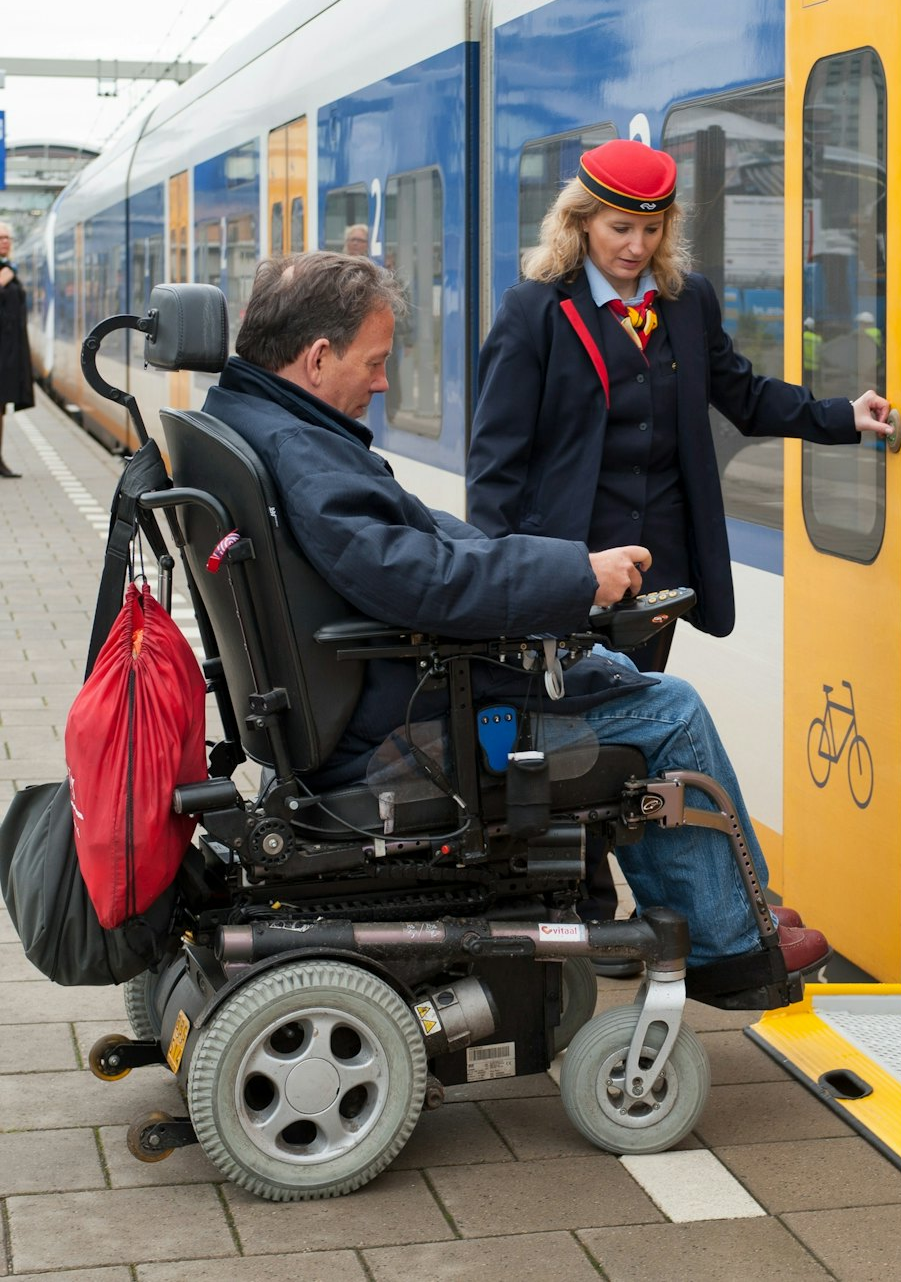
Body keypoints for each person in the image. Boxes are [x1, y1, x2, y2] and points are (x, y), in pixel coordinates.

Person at [200, 250, 826, 986]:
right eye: (374, 363)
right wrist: (574, 576)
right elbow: (412, 578)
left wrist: (552, 565)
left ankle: (722, 900)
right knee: (669, 711)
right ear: (315, 358)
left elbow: (408, 534)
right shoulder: (303, 451)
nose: (382, 381)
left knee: (619, 675)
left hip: (362, 695)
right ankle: (731, 949)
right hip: (397, 722)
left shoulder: (258, 420)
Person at [467, 139, 892, 674]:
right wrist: (494, 579)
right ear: (580, 222)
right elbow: (496, 457)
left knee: (640, 708)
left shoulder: (688, 301)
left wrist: (839, 416)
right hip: (573, 561)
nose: (637, 246)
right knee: (568, 725)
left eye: (652, 228)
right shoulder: (534, 310)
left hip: (659, 566)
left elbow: (744, 394)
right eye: (619, 229)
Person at [0, 221, 35, 479]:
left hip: (8, 350)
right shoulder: (4, 272)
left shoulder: (8, 268)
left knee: (0, 408)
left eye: (8, 237)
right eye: (0, 237)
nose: (5, 241)